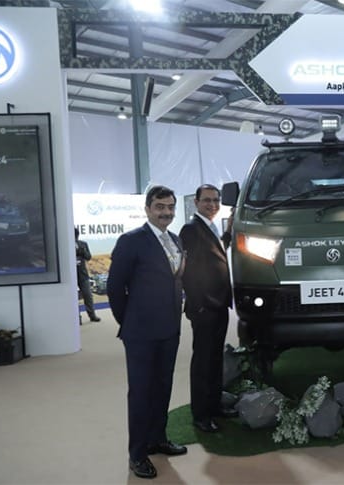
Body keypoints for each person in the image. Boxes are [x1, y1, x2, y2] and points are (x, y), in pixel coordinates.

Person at [107, 185, 188, 480]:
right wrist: (129, 322)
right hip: (140, 332)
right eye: (159, 207)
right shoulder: (131, 241)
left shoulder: (175, 240)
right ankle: (138, 454)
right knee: (141, 392)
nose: (166, 212)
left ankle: (157, 439)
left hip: (170, 329)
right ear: (147, 209)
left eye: (170, 207)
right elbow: (115, 288)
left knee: (163, 386)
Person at [179, 184, 236, 434]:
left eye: (215, 200)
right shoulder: (190, 230)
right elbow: (188, 272)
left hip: (219, 305)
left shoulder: (211, 227)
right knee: (203, 362)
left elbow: (216, 251)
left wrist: (230, 230)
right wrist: (199, 305)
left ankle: (215, 406)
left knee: (215, 359)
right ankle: (201, 415)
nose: (212, 205)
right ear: (196, 202)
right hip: (204, 308)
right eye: (207, 200)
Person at [75, 227, 100, 323]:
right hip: (71, 276)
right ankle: (77, 318)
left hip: (83, 274)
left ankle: (92, 315)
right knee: (73, 298)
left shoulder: (83, 244)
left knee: (88, 295)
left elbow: (88, 257)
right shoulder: (65, 245)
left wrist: (83, 251)